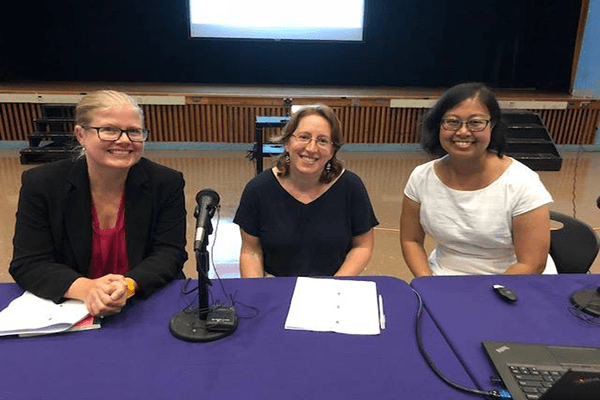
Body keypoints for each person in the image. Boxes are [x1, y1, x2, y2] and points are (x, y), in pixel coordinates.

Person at [10, 90, 187, 316]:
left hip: (142, 303)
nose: (124, 140)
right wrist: (88, 289)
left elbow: (169, 253)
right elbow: (29, 262)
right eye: (109, 130)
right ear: (80, 134)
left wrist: (129, 285)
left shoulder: (166, 182)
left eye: (134, 131)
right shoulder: (42, 184)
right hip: (71, 307)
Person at [400, 82, 555, 276]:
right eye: (452, 121)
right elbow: (411, 241)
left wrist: (485, 298)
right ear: (438, 125)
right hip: (445, 276)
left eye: (475, 122)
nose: (463, 132)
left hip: (511, 283)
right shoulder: (421, 177)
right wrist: (428, 283)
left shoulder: (522, 182)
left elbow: (532, 264)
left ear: (493, 125)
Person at [234, 104, 378, 277]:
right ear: (287, 142)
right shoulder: (257, 189)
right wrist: (256, 294)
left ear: (332, 150)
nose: (311, 148)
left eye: (323, 140)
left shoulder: (351, 186)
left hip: (334, 286)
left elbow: (362, 245)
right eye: (304, 137)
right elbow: (251, 251)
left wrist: (335, 285)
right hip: (276, 287)